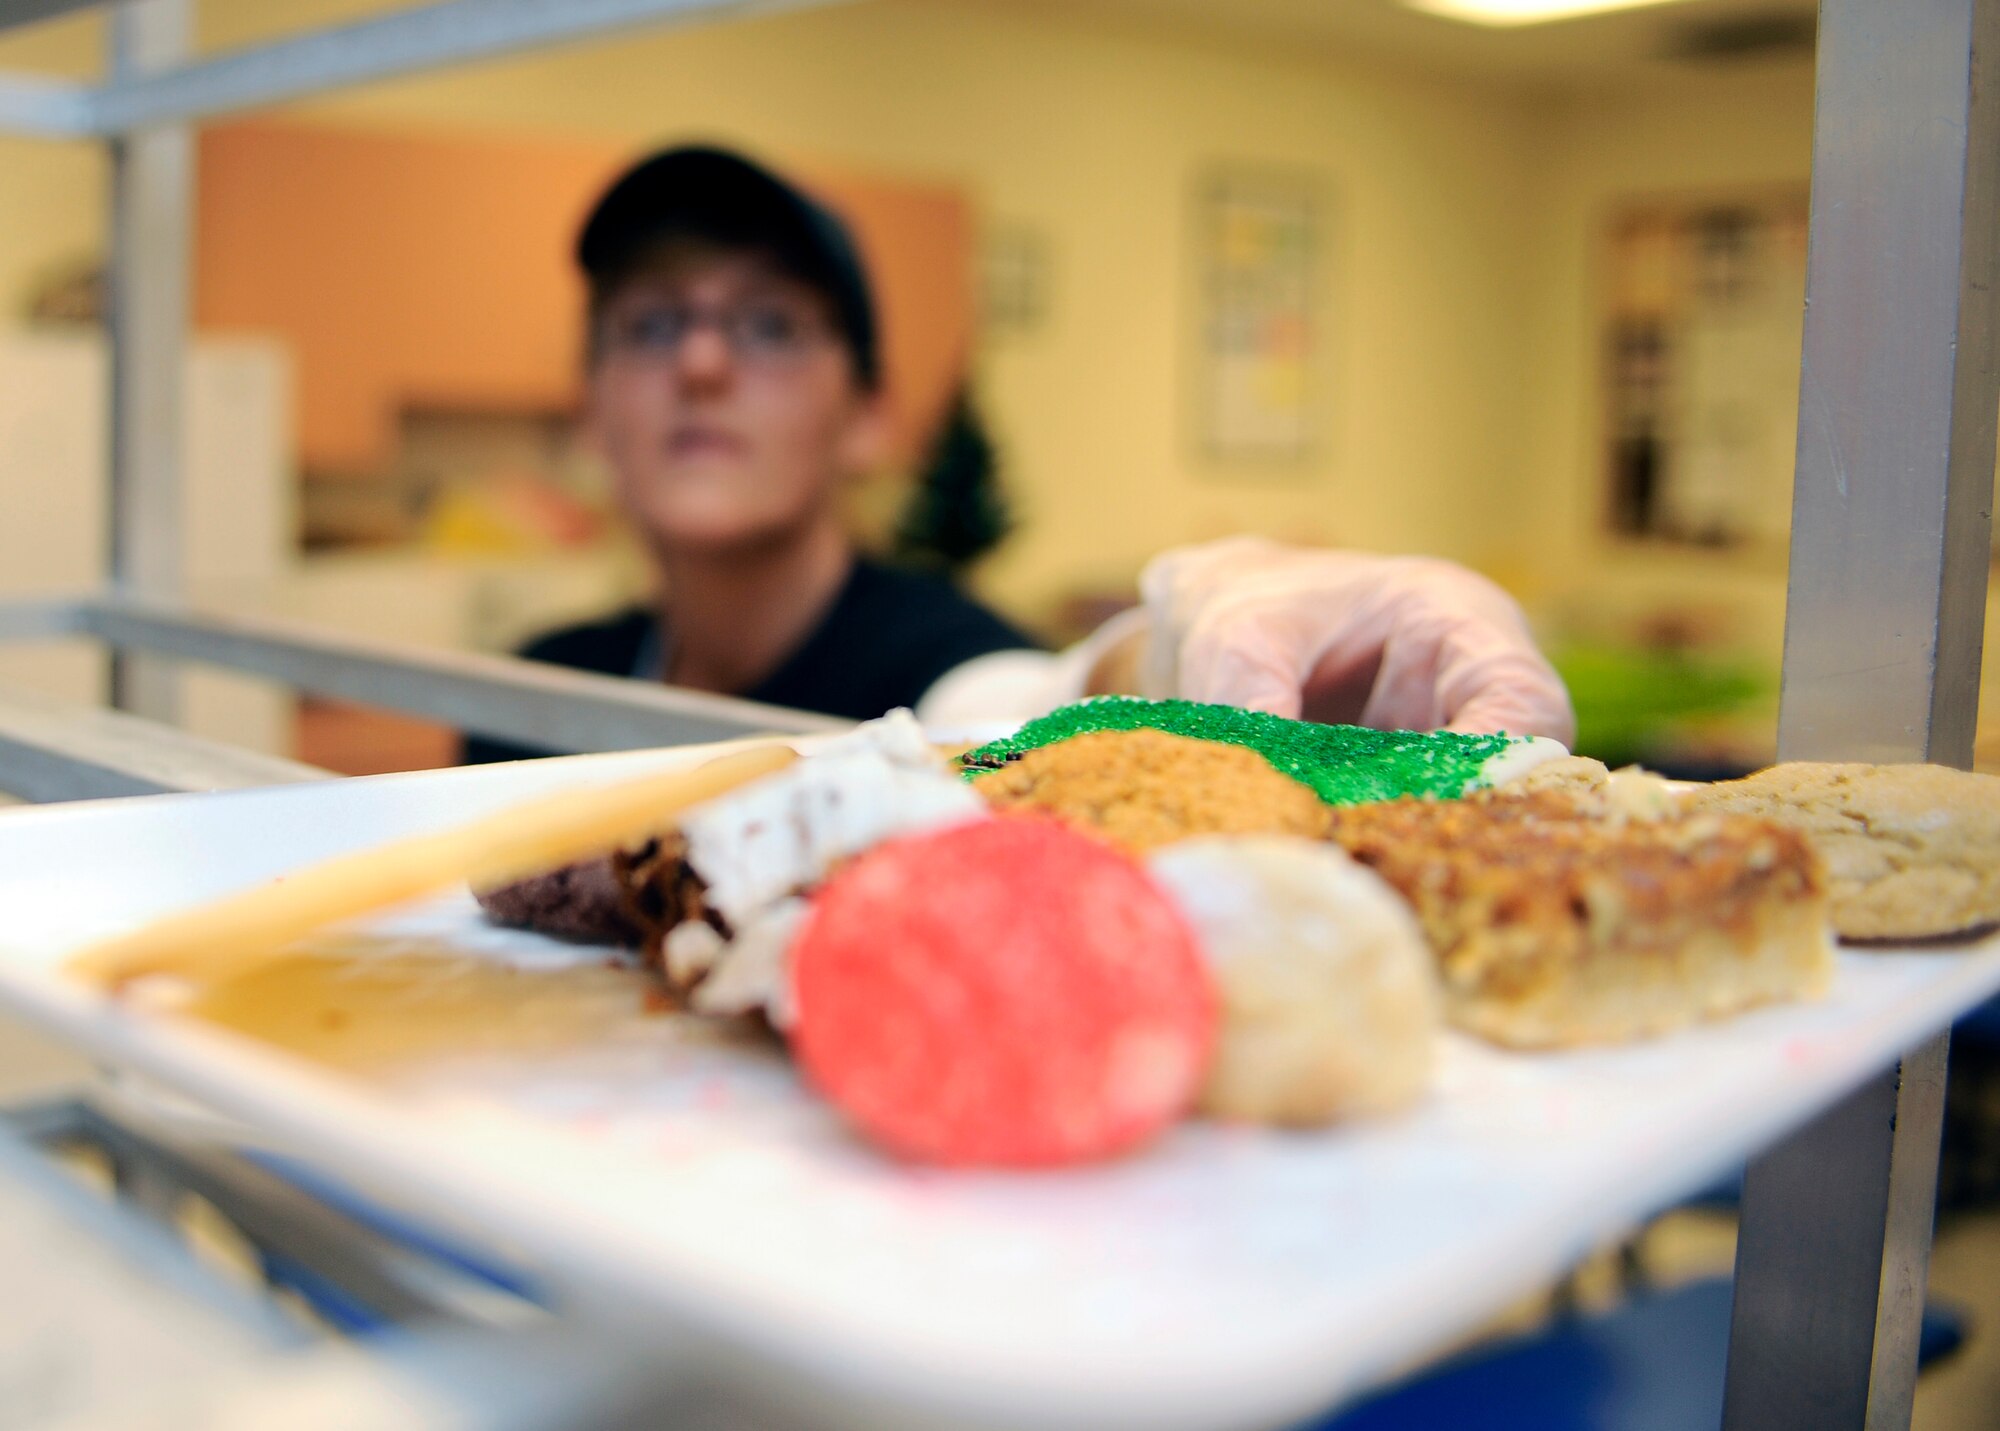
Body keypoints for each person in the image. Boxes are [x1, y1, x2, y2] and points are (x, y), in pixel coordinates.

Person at [463, 145, 1571, 764]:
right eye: (650, 325)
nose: (700, 363)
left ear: (870, 417)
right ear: (590, 412)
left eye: (767, 326)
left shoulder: (935, 651)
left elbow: (1023, 705)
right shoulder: (528, 696)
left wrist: (1187, 651)